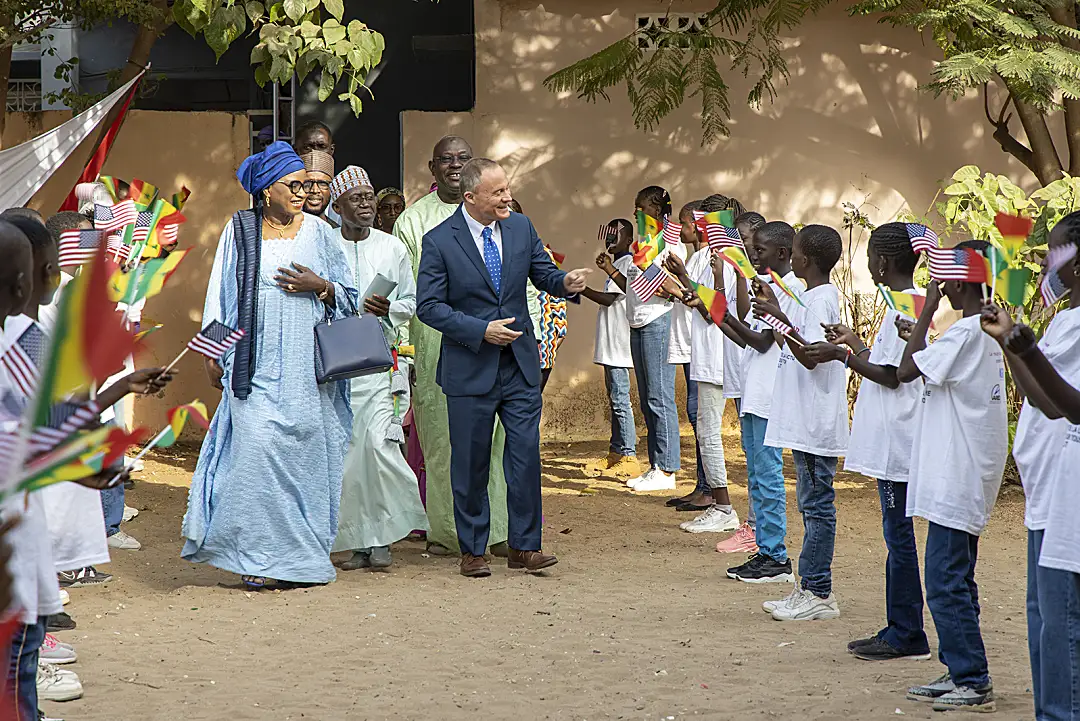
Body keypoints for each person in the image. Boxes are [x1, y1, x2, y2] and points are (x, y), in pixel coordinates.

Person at [182, 141, 358, 590]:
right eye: (293, 185)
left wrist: (321, 286)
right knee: (256, 455)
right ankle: (259, 559)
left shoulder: (320, 232)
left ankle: (300, 563)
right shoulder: (239, 230)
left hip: (308, 372)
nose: (303, 192)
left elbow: (351, 296)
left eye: (305, 184)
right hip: (252, 364)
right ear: (266, 191)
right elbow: (220, 294)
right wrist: (212, 353)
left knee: (303, 460)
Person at [415, 157, 589, 578]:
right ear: (471, 197)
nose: (508, 197)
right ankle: (472, 549)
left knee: (525, 458)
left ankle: (525, 547)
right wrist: (480, 330)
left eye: (507, 188)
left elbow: (543, 273)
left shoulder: (520, 228)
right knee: (471, 462)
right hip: (470, 368)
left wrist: (564, 282)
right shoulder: (439, 240)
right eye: (498, 192)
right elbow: (428, 307)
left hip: (519, 366)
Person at [804, 223, 930, 658]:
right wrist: (856, 343)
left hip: (898, 442)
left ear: (883, 262)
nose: (869, 263)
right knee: (896, 537)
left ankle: (906, 632)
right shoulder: (904, 304)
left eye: (872, 254)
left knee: (899, 539)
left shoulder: (908, 307)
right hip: (891, 440)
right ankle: (900, 626)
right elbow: (888, 362)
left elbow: (893, 377)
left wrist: (844, 355)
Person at [895, 240, 1006, 712]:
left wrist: (926, 312)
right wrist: (921, 331)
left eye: (942, 276)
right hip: (966, 471)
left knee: (943, 578)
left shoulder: (966, 332)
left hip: (956, 475)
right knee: (958, 576)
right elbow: (926, 367)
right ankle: (959, 666)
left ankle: (973, 677)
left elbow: (905, 372)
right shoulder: (981, 330)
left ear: (957, 281)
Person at [979, 213, 1080, 720]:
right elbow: (1040, 399)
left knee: (1063, 623)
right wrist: (1011, 343)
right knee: (1044, 618)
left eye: (1055, 252)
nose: (1044, 261)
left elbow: (1070, 406)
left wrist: (1025, 348)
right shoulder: (1064, 318)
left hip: (1071, 493)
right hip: (1050, 487)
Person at [393, 136, 512, 556]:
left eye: (463, 158)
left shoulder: (498, 214)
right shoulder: (413, 221)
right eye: (446, 159)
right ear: (432, 168)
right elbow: (405, 293)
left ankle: (497, 531)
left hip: (495, 347)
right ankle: (448, 532)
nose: (455, 165)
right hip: (435, 350)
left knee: (494, 443)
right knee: (443, 445)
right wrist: (405, 351)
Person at [330, 166, 428, 570]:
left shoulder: (393, 247)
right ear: (338, 207)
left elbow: (413, 299)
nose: (367, 204)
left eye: (369, 196)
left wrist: (390, 308)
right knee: (350, 456)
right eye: (357, 198)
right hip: (336, 366)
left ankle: (383, 536)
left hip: (380, 363)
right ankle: (359, 542)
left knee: (380, 448)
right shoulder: (325, 244)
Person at [751, 225, 849, 620]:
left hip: (814, 420)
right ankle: (809, 587)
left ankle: (818, 592)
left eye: (792, 251)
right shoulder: (812, 296)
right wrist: (779, 311)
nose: (789, 257)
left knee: (816, 506)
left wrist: (778, 319)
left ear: (804, 260)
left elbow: (810, 355)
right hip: (806, 418)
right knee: (811, 504)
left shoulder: (821, 299)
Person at [722, 221, 804, 583]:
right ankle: (766, 550)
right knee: (756, 476)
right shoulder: (767, 287)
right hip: (755, 392)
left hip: (771, 394)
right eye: (752, 248)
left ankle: (777, 558)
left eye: (760, 249)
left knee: (768, 477)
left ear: (783, 253)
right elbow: (749, 340)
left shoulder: (790, 290)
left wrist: (724, 316)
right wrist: (718, 316)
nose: (752, 254)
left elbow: (765, 342)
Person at [605, 186, 686, 493]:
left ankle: (667, 470)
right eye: (634, 207)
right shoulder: (644, 242)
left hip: (658, 321)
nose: (636, 213)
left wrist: (651, 272)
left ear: (658, 210)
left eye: (642, 208)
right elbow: (634, 285)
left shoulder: (671, 241)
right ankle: (655, 465)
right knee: (646, 398)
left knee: (659, 396)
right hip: (638, 322)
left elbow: (674, 285)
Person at [663, 211, 739, 534]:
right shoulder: (711, 258)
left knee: (709, 432)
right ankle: (720, 504)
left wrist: (685, 278)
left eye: (701, 220)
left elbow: (713, 312)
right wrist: (688, 284)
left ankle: (723, 506)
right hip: (707, 355)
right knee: (706, 430)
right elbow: (705, 300)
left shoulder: (726, 261)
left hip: (718, 357)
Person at [714, 211, 765, 555]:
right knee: (751, 455)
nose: (739, 245)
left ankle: (759, 529)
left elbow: (746, 320)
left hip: (758, 381)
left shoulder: (758, 277)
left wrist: (738, 275)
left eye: (744, 240)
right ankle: (754, 524)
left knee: (762, 461)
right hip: (741, 371)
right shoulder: (740, 270)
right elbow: (731, 322)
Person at [582, 220, 638, 478]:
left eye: (617, 236)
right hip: (610, 344)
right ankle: (616, 451)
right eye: (609, 235)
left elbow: (610, 298)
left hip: (617, 345)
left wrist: (582, 289)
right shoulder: (617, 267)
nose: (610, 240)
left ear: (628, 241)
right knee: (614, 399)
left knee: (620, 400)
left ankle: (629, 454)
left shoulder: (625, 265)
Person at [301, 149, 336, 226]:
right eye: (307, 184)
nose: (314, 190)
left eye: (322, 183)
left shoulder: (336, 232)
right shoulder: (285, 233)